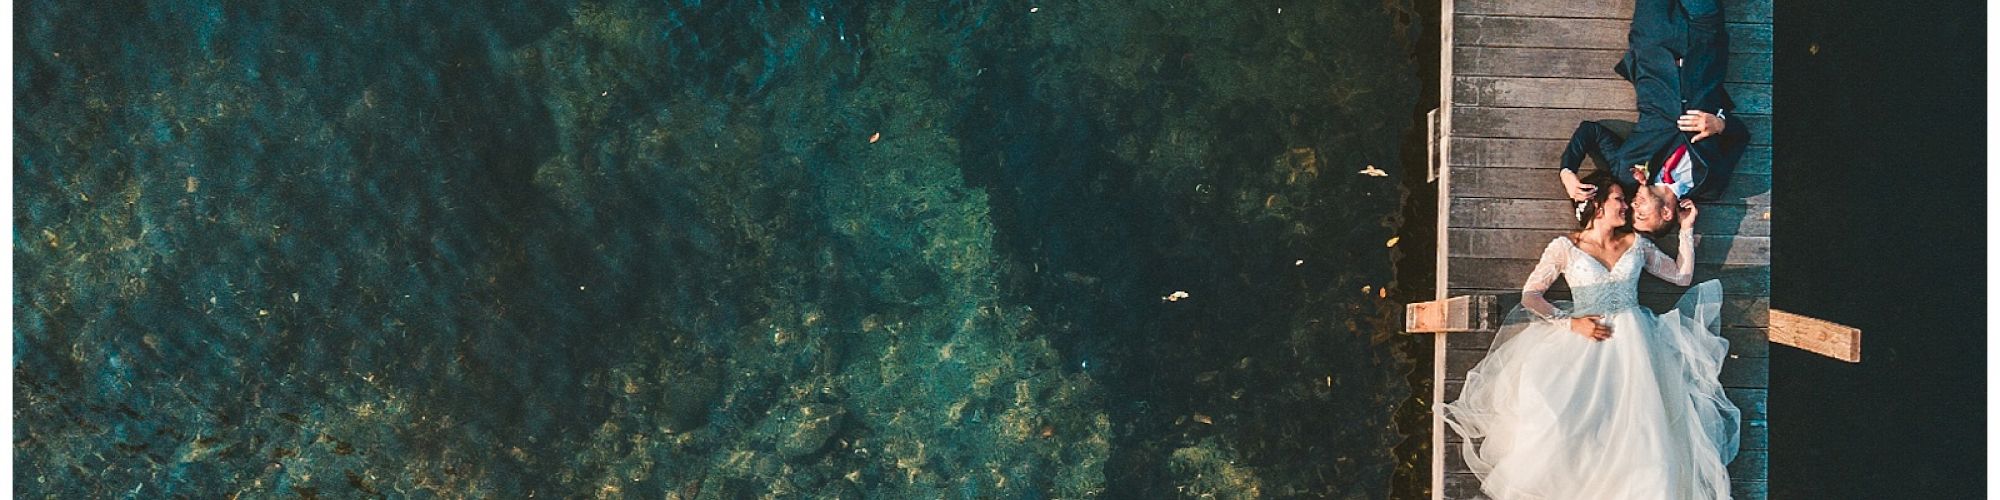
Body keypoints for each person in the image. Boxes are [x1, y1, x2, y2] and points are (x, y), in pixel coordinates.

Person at [1437, 176, 1740, 499]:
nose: (1626, 206)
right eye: (1618, 200)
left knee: (1643, 426)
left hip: (1635, 343)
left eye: (1624, 200)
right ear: (1597, 206)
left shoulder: (1636, 245)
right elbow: (1531, 296)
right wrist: (1570, 323)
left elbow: (1681, 276)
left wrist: (1686, 227)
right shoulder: (1565, 247)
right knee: (1565, 424)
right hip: (1583, 338)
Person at [1556, 0, 1752, 224]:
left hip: (1654, 43)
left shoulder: (1626, 173)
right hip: (1704, 44)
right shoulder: (1711, 185)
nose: (1633, 206)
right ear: (1666, 214)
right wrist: (1720, 124)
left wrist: (1567, 172)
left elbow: (1590, 132)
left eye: (1632, 212)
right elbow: (1741, 137)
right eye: (1641, 214)